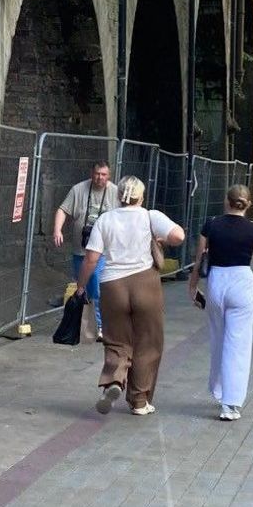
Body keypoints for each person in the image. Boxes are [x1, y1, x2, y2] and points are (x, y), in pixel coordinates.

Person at [79, 176, 186, 416]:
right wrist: (161, 238)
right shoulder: (150, 216)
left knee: (117, 339)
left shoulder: (105, 220)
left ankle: (115, 381)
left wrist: (80, 286)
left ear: (119, 196)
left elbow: (91, 259)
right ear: (142, 196)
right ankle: (139, 401)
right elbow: (178, 236)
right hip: (146, 284)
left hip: (112, 285)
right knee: (148, 341)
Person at [191, 183, 253, 420]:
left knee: (218, 337)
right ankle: (230, 403)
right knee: (238, 343)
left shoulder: (211, 225)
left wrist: (192, 286)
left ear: (226, 201)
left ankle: (218, 389)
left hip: (217, 281)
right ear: (248, 205)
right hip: (241, 282)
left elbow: (199, 260)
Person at [53, 162, 113, 332]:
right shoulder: (78, 189)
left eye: (103, 174)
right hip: (81, 248)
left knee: (95, 283)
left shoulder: (115, 192)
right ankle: (85, 324)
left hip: (102, 251)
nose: (99, 178)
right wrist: (57, 230)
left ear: (108, 176)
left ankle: (101, 324)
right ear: (91, 173)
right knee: (82, 286)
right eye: (96, 174)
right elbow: (62, 210)